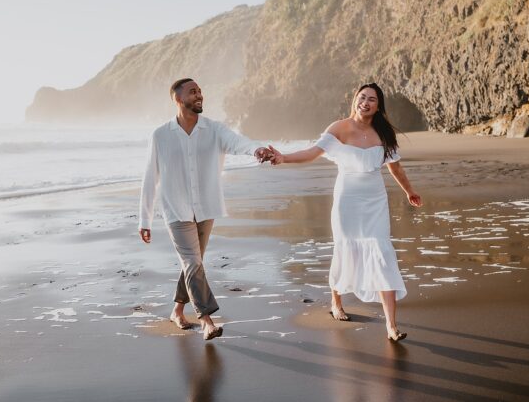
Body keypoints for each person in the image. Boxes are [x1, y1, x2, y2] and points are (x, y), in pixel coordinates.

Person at [271, 82, 421, 342]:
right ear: (354, 100)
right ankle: (336, 301)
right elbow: (312, 153)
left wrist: (409, 191)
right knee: (345, 248)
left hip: (375, 200)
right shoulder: (338, 128)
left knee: (382, 252)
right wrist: (283, 158)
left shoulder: (383, 133)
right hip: (347, 199)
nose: (366, 102)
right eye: (362, 97)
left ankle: (391, 326)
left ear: (378, 106)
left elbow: (395, 168)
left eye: (372, 99)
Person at [139, 78, 276, 340]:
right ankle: (206, 320)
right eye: (193, 92)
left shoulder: (215, 130)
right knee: (192, 262)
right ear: (178, 99)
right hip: (176, 210)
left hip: (206, 207)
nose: (199, 95)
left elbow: (238, 142)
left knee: (194, 263)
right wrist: (144, 219)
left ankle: (178, 311)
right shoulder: (160, 135)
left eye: (200, 91)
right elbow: (150, 177)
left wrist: (257, 149)